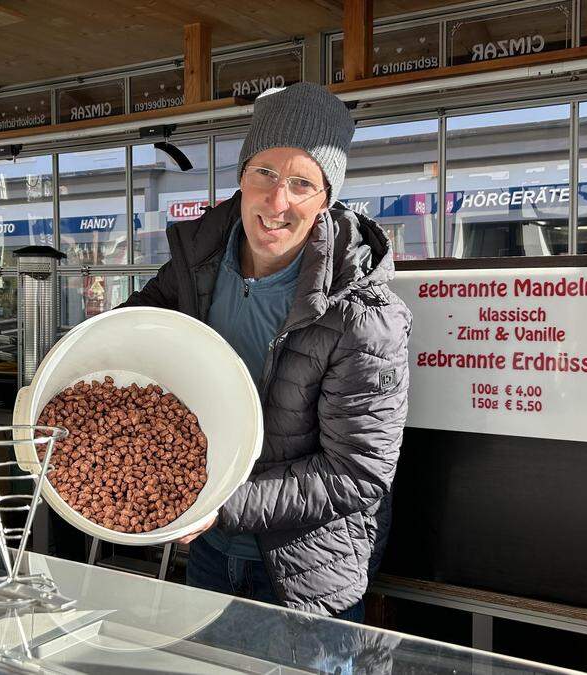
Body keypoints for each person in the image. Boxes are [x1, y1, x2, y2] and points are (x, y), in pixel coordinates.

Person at [121, 82, 411, 620]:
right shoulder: (198, 262)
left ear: (326, 199)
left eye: (303, 183)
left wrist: (217, 502)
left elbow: (358, 472)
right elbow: (135, 330)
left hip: (306, 573)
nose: (278, 201)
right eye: (266, 174)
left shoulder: (364, 316)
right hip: (209, 556)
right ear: (243, 176)